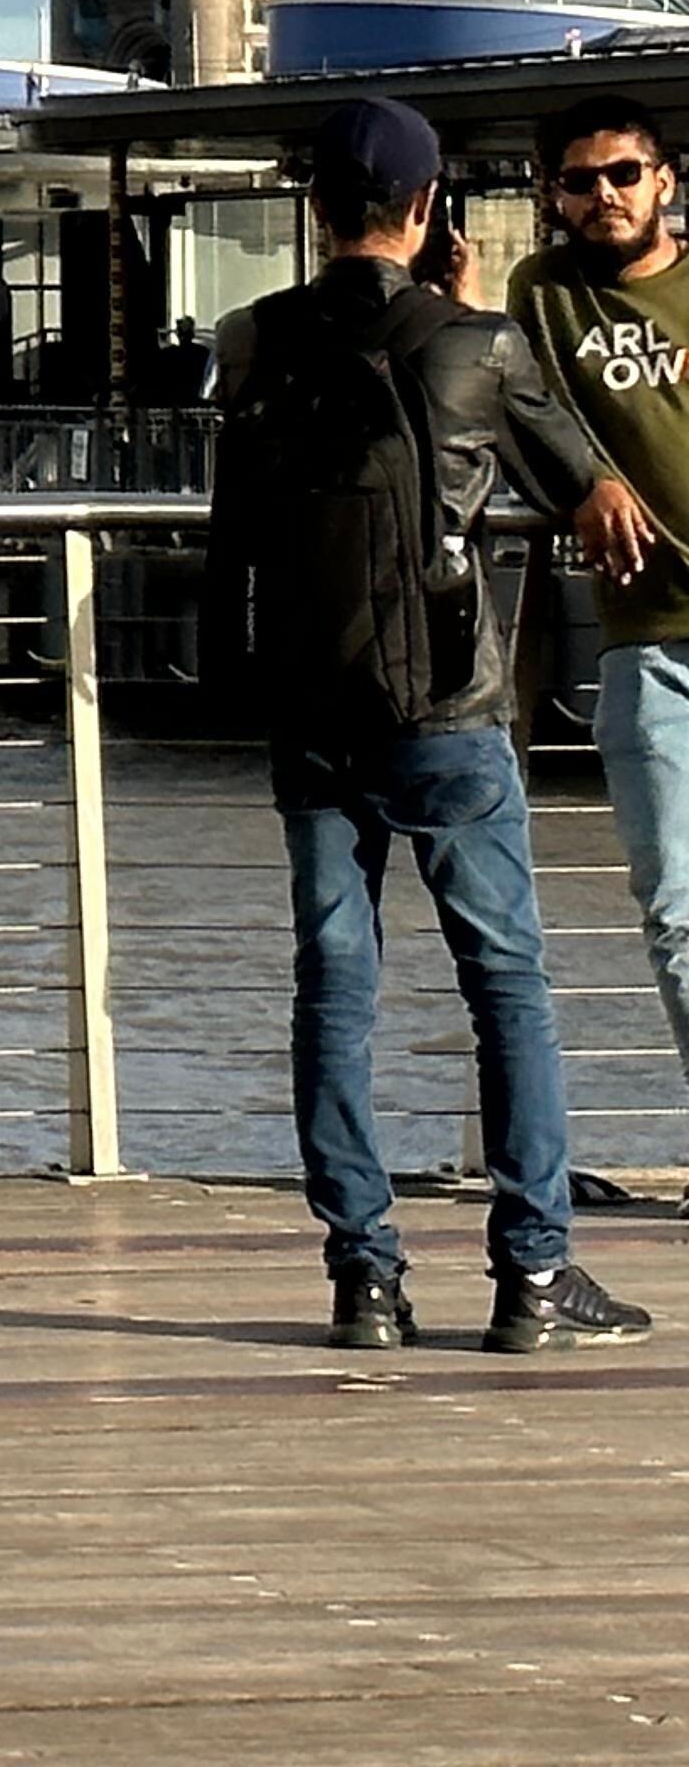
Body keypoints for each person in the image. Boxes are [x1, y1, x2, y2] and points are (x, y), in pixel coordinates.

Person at [207, 97, 650, 1351]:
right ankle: (534, 1274)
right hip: (449, 711)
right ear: (426, 208)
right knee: (507, 981)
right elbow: (577, 475)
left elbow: (231, 530)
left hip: (309, 706)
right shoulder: (482, 346)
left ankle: (366, 1277)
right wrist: (461, 311)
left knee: (335, 984)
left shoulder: (251, 341)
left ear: (313, 212)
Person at [501, 93, 689, 1210]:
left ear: (666, 178)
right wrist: (589, 482)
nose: (604, 196)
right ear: (551, 195)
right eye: (580, 181)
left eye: (624, 173)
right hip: (648, 641)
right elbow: (526, 412)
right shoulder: (543, 296)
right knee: (675, 908)